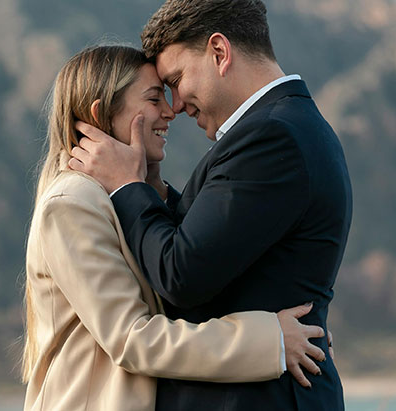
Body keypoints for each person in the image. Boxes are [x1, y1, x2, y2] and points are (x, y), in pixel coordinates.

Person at [69, 0, 352, 410]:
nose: (176, 105)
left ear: (219, 52)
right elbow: (214, 244)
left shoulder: (272, 138)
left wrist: (126, 186)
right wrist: (152, 188)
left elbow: (182, 274)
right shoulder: (285, 128)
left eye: (177, 79)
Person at [21, 45, 328, 411]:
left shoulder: (126, 197)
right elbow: (133, 338)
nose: (171, 111)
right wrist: (272, 342)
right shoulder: (72, 203)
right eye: (154, 99)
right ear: (100, 112)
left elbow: (188, 269)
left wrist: (146, 185)